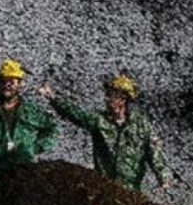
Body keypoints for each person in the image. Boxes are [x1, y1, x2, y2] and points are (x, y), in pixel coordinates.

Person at [37, 74, 173, 192]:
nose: (106, 99)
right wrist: (52, 98)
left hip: (132, 190)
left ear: (123, 98)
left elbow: (154, 153)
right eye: (106, 95)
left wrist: (164, 178)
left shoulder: (141, 125)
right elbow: (75, 113)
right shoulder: (99, 121)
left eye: (111, 95)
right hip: (106, 188)